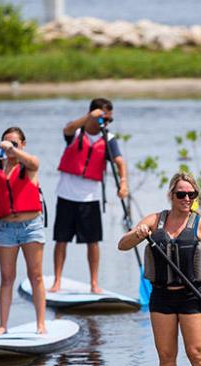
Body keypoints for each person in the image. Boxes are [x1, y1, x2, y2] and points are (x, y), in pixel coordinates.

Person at [118, 172, 201, 366]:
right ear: (171, 196)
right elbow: (122, 244)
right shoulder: (155, 220)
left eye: (191, 194)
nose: (186, 198)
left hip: (192, 297)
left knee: (196, 353)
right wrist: (138, 234)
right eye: (181, 194)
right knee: (166, 355)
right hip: (161, 297)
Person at [50, 98, 128, 294]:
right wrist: (88, 117)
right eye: (103, 117)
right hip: (66, 195)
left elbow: (120, 162)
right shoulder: (77, 131)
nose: (106, 123)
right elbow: (66, 129)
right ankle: (57, 281)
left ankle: (94, 283)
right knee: (61, 239)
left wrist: (124, 182)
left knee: (93, 242)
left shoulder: (108, 138)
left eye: (109, 119)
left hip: (90, 198)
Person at [0, 126, 47, 336]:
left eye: (15, 144)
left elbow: (34, 162)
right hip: (6, 228)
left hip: (31, 226)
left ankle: (41, 324)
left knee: (35, 275)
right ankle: (2, 325)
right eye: (6, 144)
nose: (9, 148)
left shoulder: (29, 165)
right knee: (7, 277)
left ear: (22, 145)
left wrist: (14, 151)